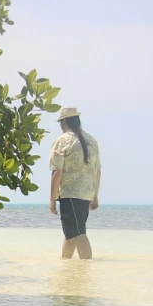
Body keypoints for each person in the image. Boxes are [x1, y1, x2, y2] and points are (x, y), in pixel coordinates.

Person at [49, 107, 102, 259]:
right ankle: (67, 268)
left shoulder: (62, 140)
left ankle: (86, 269)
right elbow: (97, 171)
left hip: (70, 193)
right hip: (86, 193)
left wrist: (51, 199)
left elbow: (57, 172)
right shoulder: (91, 140)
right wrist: (95, 195)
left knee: (79, 233)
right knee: (71, 233)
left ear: (64, 122)